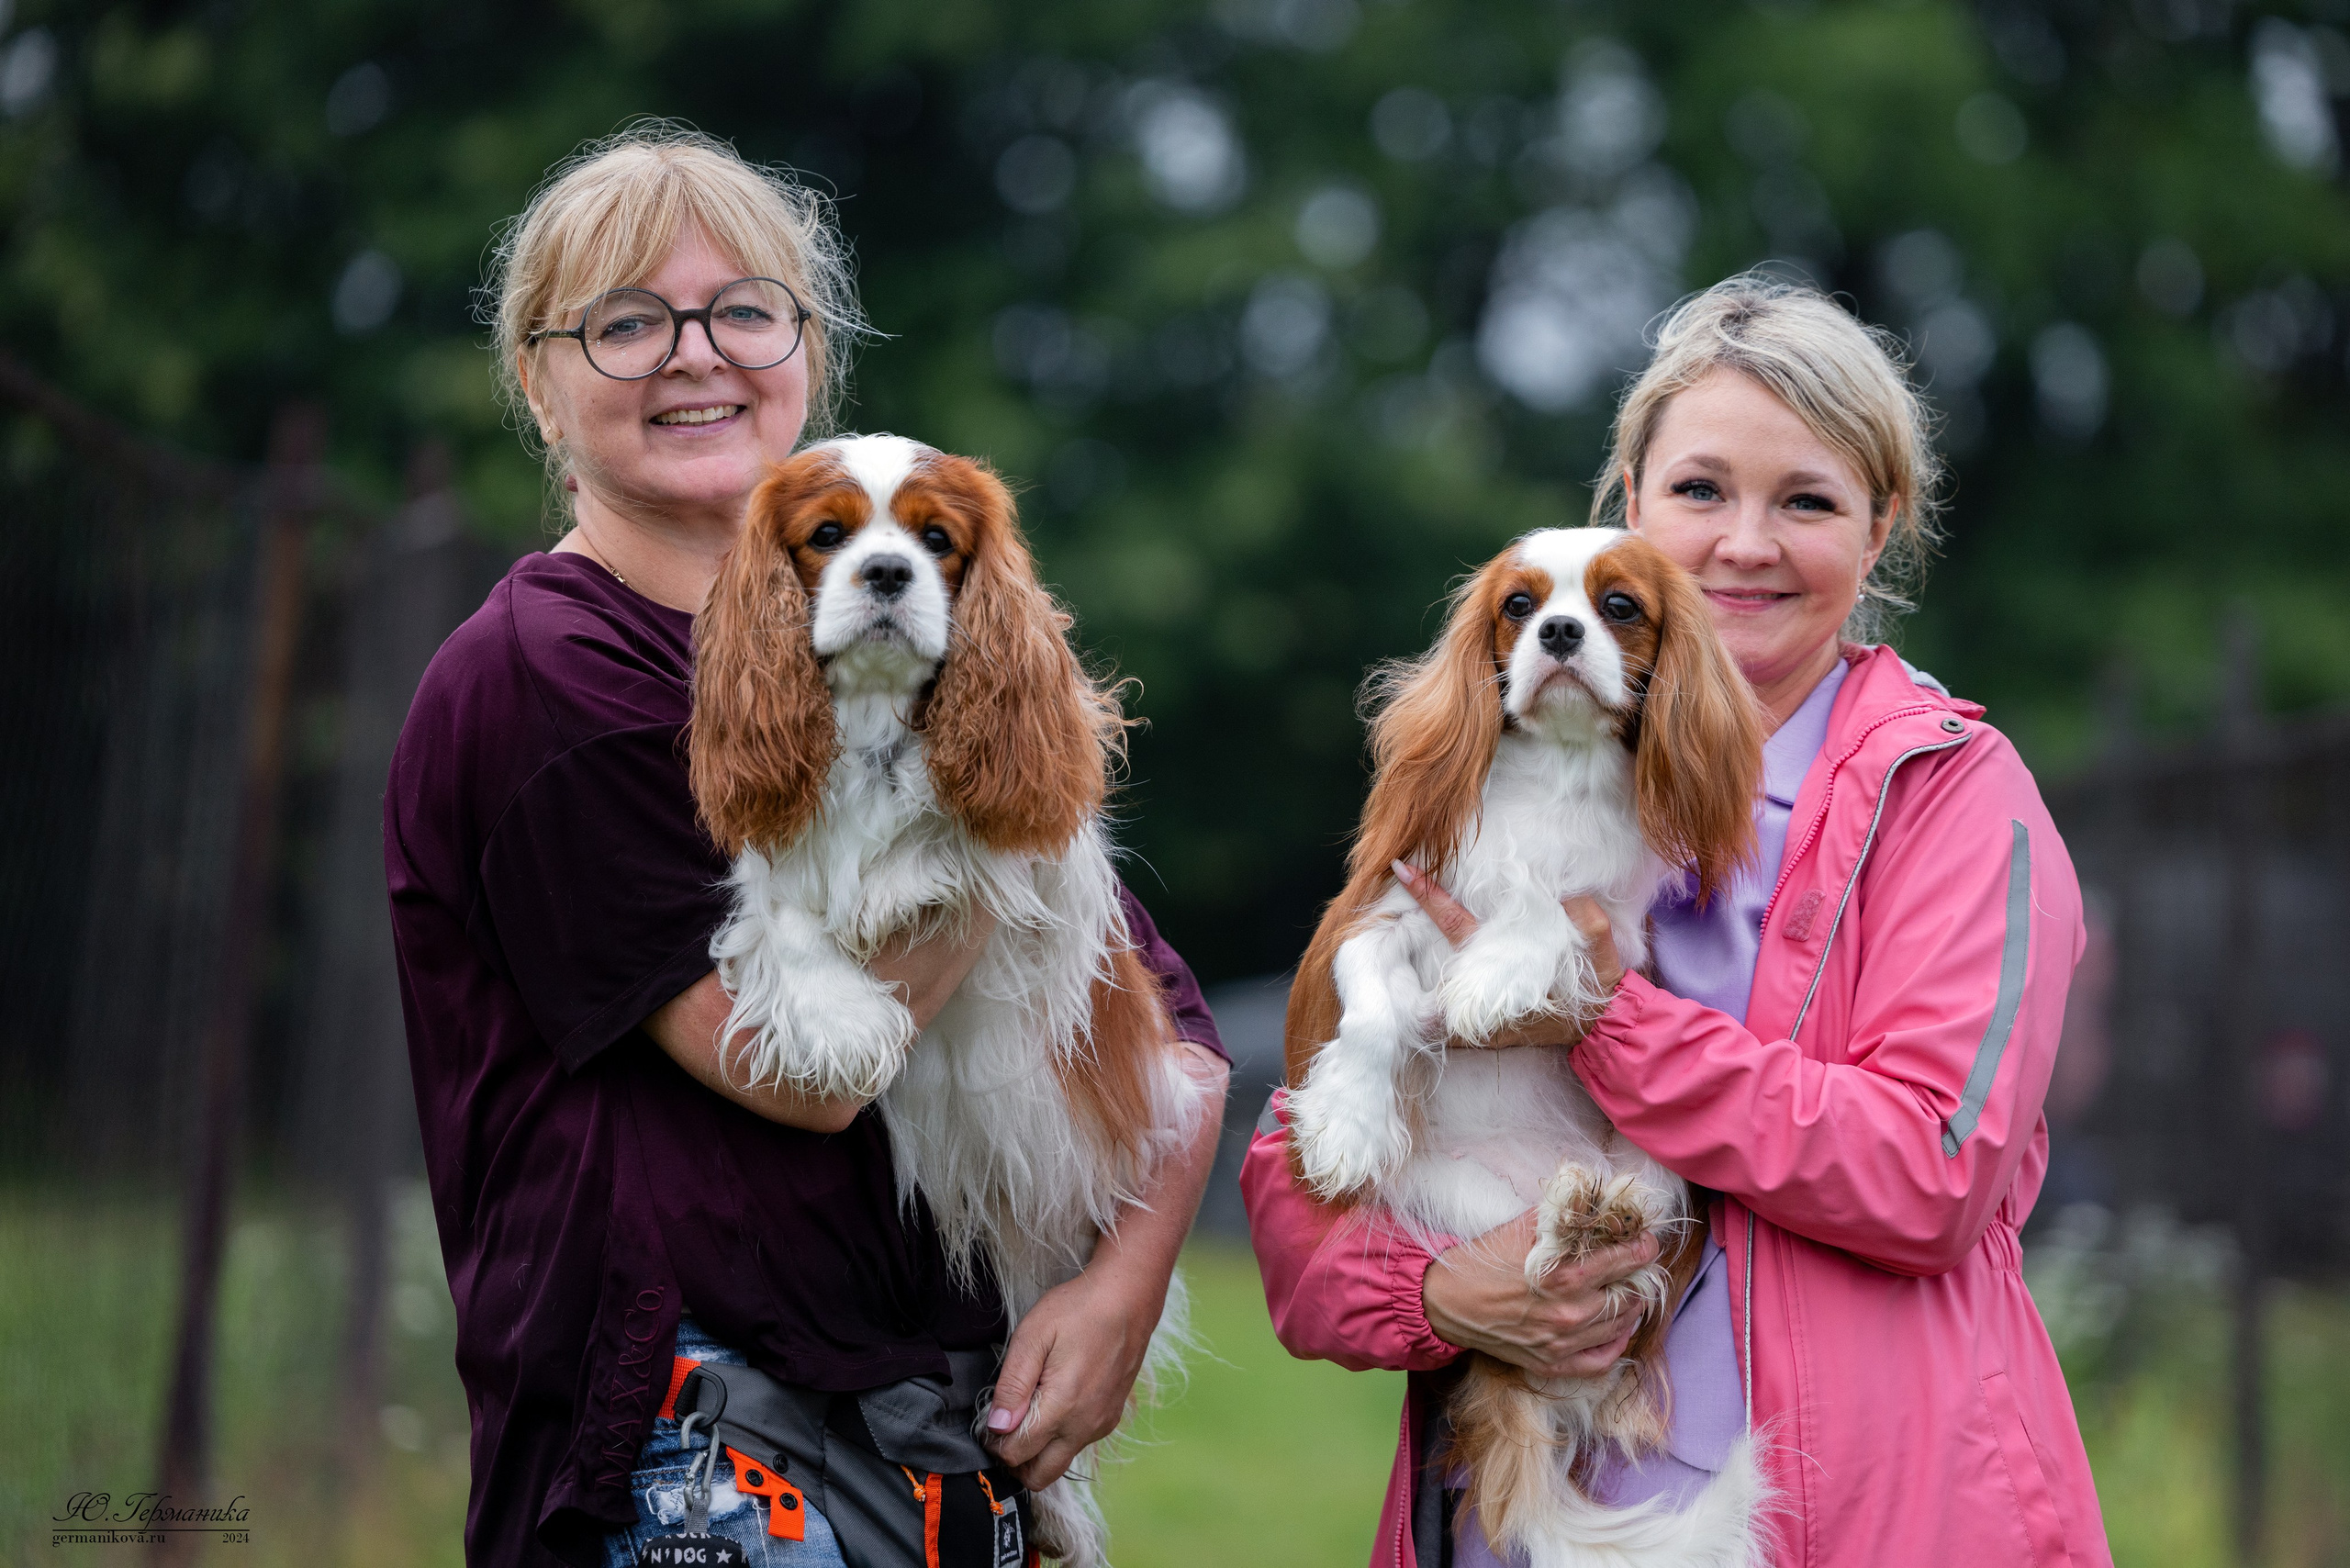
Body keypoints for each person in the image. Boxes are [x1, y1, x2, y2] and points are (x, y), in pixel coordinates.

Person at [385, 124, 1229, 1567]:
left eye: (743, 312)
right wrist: (997, 834)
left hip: (940, 1430)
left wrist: (1121, 1289)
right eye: (625, 324)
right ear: (537, 382)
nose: (694, 356)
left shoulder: (914, 650)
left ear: (808, 351)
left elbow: (1180, 1042)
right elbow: (805, 1074)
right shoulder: (550, 675)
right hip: (695, 1442)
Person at [1243, 273, 2110, 1568]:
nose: (1746, 545)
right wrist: (1433, 1291)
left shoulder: (1956, 799)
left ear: (1879, 529)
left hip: (1870, 1518)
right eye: (1701, 490)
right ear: (1631, 504)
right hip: (1520, 1515)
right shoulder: (1497, 773)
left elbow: (1933, 1175)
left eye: (1806, 501)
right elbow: (1300, 1177)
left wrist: (1607, 1025)